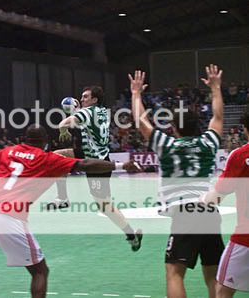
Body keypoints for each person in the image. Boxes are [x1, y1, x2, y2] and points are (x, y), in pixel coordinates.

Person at [0, 124, 140, 298]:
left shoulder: (7, 151)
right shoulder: (46, 159)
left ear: (25, 139)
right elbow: (85, 164)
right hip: (9, 216)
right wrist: (120, 166)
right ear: (45, 141)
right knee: (40, 271)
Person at [129, 66, 225, 298]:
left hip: (185, 213)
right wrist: (216, 88)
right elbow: (218, 117)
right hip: (210, 212)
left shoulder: (167, 145)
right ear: (198, 126)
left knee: (174, 273)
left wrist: (135, 94)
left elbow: (142, 123)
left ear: (173, 128)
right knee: (212, 275)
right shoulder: (208, 142)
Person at [49, 86, 142, 251]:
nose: (82, 98)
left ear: (94, 100)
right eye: (82, 96)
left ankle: (131, 235)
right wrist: (77, 111)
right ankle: (62, 198)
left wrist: (64, 130)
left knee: (105, 207)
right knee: (57, 156)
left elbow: (63, 123)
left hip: (97, 163)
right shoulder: (102, 111)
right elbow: (87, 122)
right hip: (91, 153)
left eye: (86, 97)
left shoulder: (87, 112)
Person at [202, 110, 249, 297]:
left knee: (222, 291)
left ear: (245, 130)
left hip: (245, 239)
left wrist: (202, 199)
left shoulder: (240, 156)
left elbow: (217, 197)